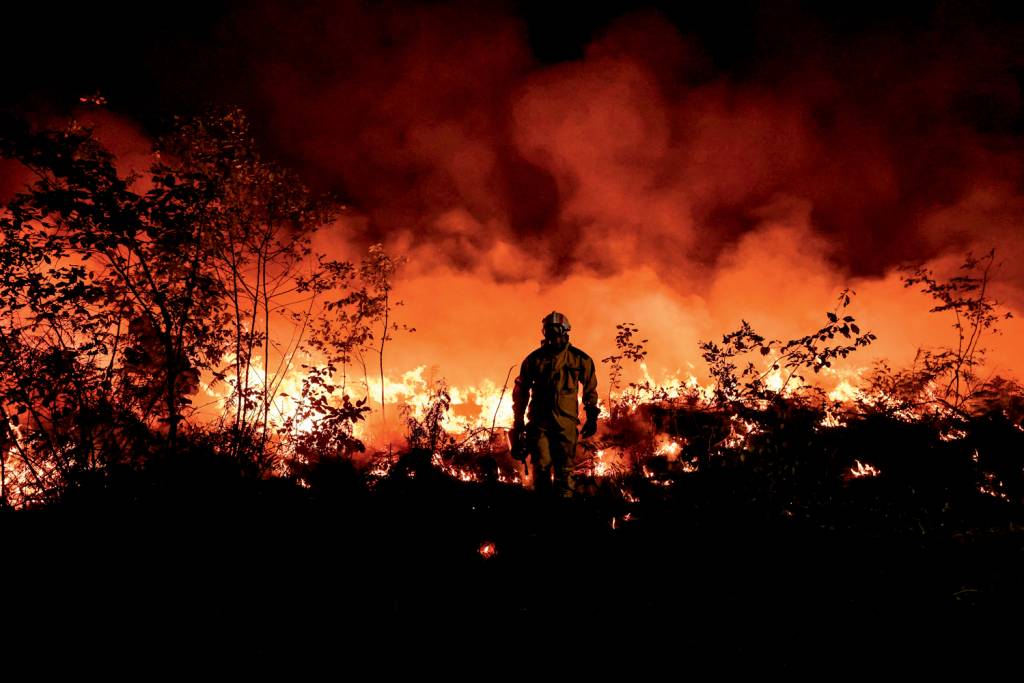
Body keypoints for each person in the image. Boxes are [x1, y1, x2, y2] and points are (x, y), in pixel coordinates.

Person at [511, 311, 599, 498]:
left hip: (566, 423)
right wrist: (518, 421)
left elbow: (590, 389)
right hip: (539, 423)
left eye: (557, 333)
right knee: (541, 467)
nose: (553, 338)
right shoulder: (534, 360)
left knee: (565, 470)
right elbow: (521, 391)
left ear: (565, 332)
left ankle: (563, 513)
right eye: (549, 333)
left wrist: (592, 416)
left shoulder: (580, 359)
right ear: (545, 334)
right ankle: (543, 512)